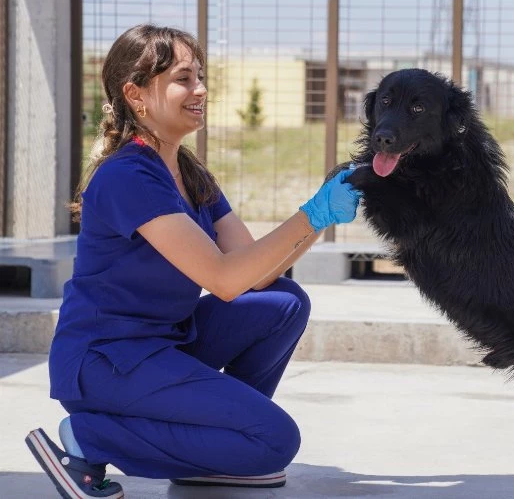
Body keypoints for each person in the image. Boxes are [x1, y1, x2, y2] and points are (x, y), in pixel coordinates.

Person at [25, 24, 362, 499]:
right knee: (275, 441)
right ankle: (89, 439)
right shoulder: (128, 176)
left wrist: (320, 218)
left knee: (283, 302)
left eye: (200, 77)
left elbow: (257, 275)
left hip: (166, 344)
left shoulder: (189, 172)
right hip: (107, 362)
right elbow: (223, 279)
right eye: (184, 79)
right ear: (136, 94)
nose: (201, 89)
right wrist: (313, 213)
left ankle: (210, 450)